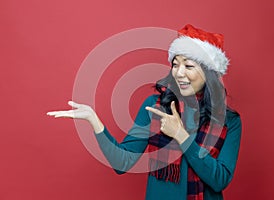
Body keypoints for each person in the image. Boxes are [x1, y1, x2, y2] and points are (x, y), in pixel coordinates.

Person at [47, 24, 242, 200]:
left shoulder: (229, 121)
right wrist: (94, 121)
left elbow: (219, 180)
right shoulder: (155, 107)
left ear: (209, 73)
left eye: (189, 66)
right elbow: (122, 163)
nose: (179, 73)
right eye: (175, 64)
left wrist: (181, 136)